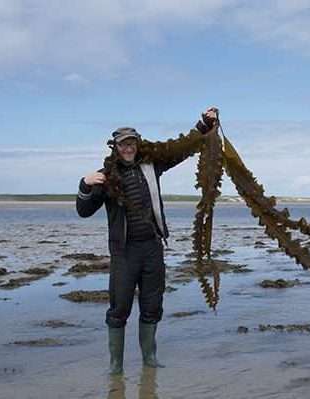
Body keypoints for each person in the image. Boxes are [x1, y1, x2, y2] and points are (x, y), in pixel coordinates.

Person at [76, 107, 219, 374]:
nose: (128, 148)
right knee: (119, 309)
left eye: (132, 143)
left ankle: (149, 360)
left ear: (137, 144)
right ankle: (116, 366)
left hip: (152, 248)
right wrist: (85, 185)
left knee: (153, 305)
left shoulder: (152, 164)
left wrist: (204, 125)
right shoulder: (105, 177)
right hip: (124, 253)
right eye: (123, 144)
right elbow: (83, 211)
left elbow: (178, 150)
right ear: (115, 147)